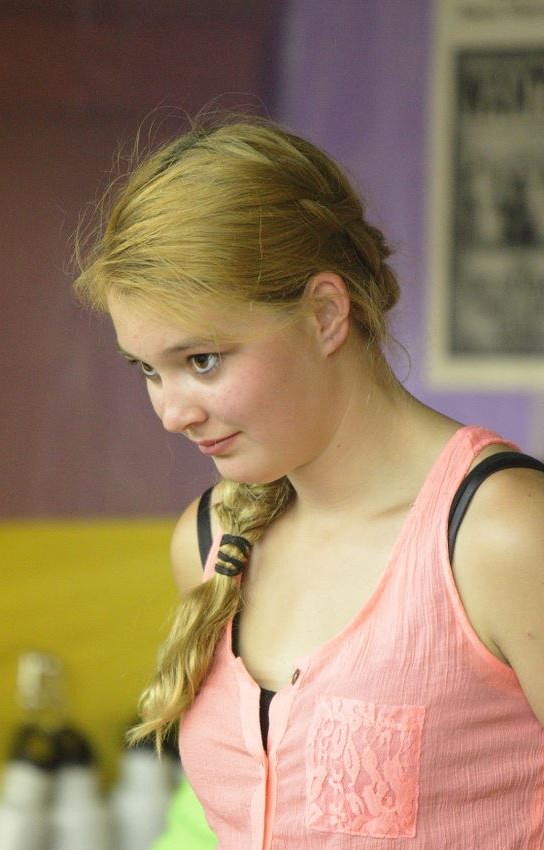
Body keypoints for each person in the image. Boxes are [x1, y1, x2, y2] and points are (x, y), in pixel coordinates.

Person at [75, 117, 544, 849]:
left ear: (325, 313)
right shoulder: (210, 541)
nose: (171, 413)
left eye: (201, 360)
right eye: (147, 370)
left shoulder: (502, 533)